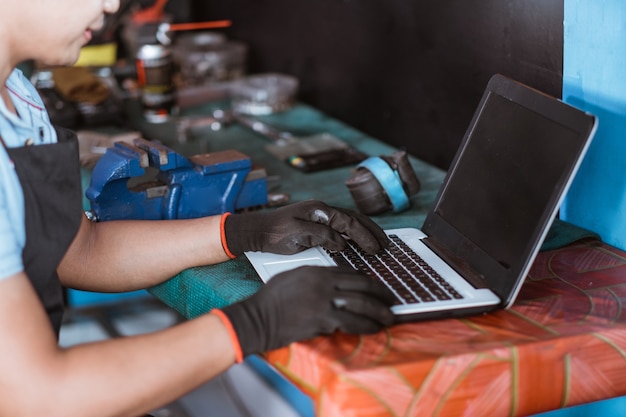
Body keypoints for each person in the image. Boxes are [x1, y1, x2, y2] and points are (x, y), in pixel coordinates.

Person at [0, 0, 397, 415]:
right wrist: (256, 323)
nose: (113, 4)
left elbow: (80, 252)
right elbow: (38, 396)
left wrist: (244, 233)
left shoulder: (17, 95)